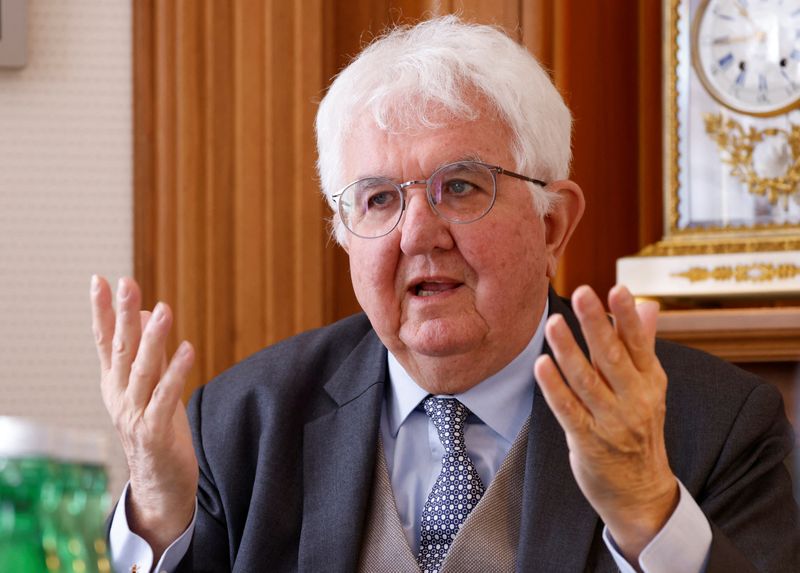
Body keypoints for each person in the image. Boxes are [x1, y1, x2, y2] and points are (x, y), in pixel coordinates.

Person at [91, 16, 799, 573]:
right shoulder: (243, 422)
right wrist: (157, 513)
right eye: (377, 200)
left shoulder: (715, 425)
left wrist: (648, 510)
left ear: (553, 222)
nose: (417, 233)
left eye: (460, 186)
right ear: (344, 232)